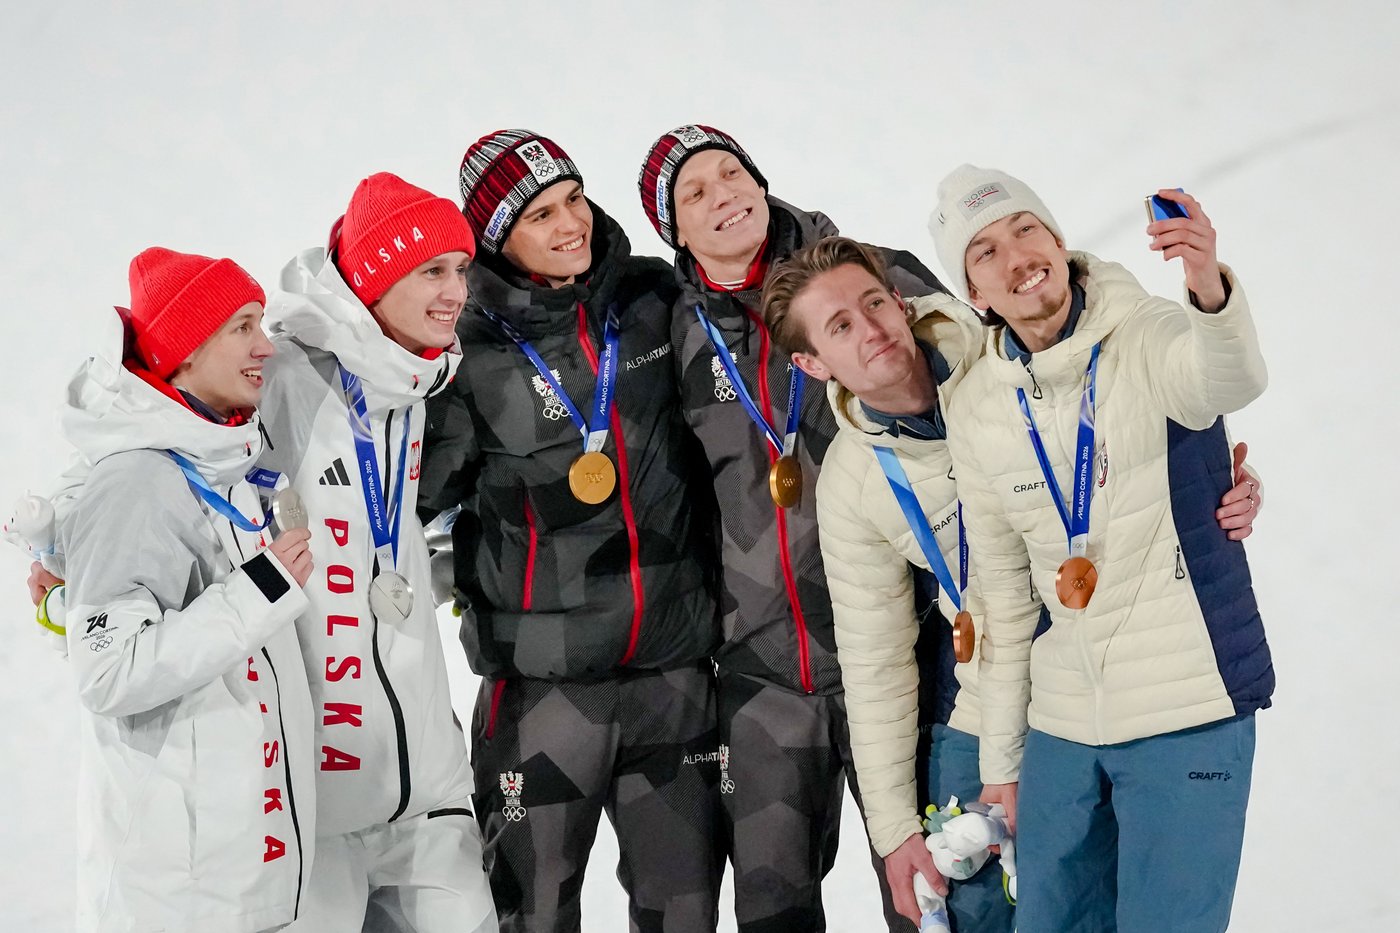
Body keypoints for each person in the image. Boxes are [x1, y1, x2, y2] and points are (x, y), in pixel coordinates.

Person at [760, 234, 1266, 930]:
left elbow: (1138, 408)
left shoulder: (1010, 359)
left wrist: (1214, 487)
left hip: (1102, 680)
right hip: (982, 703)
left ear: (901, 302)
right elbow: (875, 660)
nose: (871, 329)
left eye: (874, 302)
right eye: (840, 326)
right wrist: (894, 830)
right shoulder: (853, 481)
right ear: (812, 362)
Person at [932, 165, 1271, 932]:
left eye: (1026, 229)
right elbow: (1005, 602)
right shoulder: (980, 406)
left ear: (1058, 241)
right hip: (1061, 725)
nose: (1016, 255)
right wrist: (1001, 766)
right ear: (975, 293)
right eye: (984, 251)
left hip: (1185, 704)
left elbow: (1225, 379)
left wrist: (1205, 283)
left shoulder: (1146, 331)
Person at [635, 124, 952, 932]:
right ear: (672, 228)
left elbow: (997, 398)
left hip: (905, 648)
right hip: (763, 672)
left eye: (731, 171)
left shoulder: (869, 279)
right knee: (772, 909)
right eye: (694, 192)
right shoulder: (674, 333)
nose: (723, 195)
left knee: (939, 894)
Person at [420, 129, 722, 932]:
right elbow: (397, 499)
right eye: (541, 214)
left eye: (574, 199)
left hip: (676, 678)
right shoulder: (465, 348)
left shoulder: (654, 296)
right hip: (543, 692)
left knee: (684, 914)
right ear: (495, 237)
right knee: (530, 917)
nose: (569, 224)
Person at [257, 172, 495, 931]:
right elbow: (160, 447)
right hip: (317, 809)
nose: (456, 289)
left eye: (461, 269)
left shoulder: (415, 379)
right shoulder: (284, 376)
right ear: (375, 276)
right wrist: (64, 560)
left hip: (428, 790)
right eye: (432, 270)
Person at [60, 247, 317, 931]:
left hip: (239, 883)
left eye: (261, 323)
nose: (266, 346)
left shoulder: (230, 458)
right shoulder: (137, 480)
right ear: (185, 350)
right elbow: (108, 673)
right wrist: (261, 588)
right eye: (242, 328)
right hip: (176, 902)